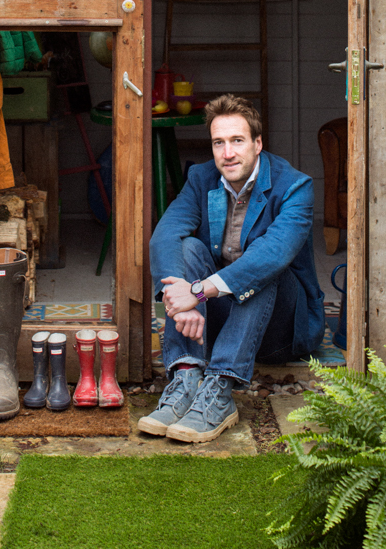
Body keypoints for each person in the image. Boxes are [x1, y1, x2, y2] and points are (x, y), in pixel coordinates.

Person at [138, 94, 324, 444]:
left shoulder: (295, 186)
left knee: (262, 266)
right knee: (188, 248)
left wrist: (195, 293)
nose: (227, 153)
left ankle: (220, 389)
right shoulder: (201, 177)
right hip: (221, 321)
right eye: (218, 143)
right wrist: (177, 298)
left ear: (257, 143)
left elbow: (272, 256)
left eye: (237, 141)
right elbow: (164, 235)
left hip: (278, 329)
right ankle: (187, 378)